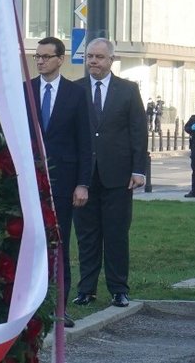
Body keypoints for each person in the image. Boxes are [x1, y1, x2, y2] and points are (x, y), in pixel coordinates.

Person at [74, 38, 147, 308]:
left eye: (99, 57)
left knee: (116, 235)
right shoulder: (76, 90)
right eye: (90, 56)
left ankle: (118, 289)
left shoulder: (127, 90)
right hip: (84, 179)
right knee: (87, 236)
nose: (93, 61)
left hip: (119, 176)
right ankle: (86, 289)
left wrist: (139, 170)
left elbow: (138, 132)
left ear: (111, 60)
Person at [28, 36, 91, 327]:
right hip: (30, 181)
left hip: (64, 182)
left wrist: (82, 183)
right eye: (37, 56)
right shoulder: (26, 90)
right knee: (31, 243)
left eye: (45, 56)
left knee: (59, 243)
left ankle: (59, 307)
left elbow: (84, 143)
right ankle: (29, 305)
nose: (40, 61)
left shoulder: (75, 94)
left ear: (60, 59)